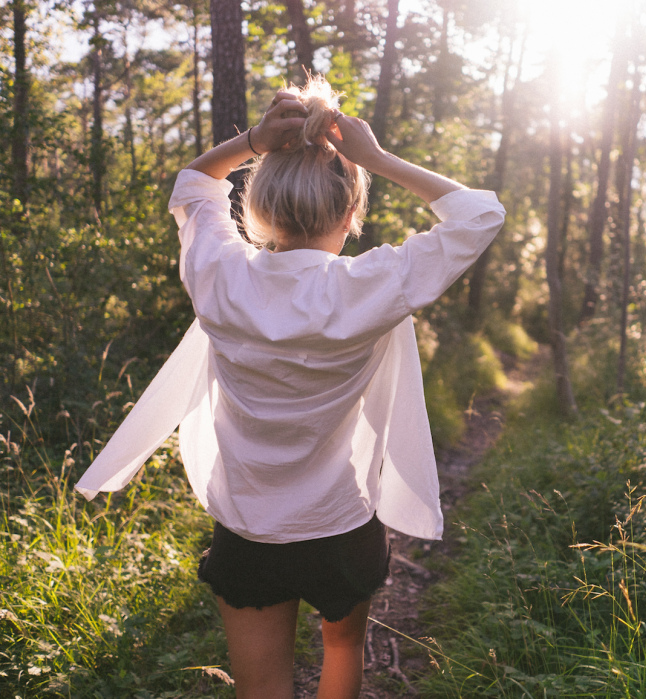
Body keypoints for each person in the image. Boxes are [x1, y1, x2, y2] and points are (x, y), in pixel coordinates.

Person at [74, 76, 505, 699]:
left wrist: (251, 140)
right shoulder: (370, 286)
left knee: (260, 689)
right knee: (344, 648)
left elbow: (193, 186)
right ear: (353, 213)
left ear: (255, 209)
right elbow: (478, 215)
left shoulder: (221, 275)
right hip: (340, 521)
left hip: (248, 526)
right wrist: (376, 158)